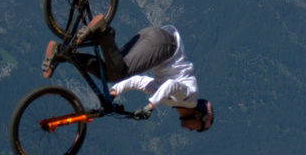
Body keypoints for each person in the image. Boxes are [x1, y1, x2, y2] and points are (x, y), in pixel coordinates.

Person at [44, 20, 213, 132]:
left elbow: (138, 82)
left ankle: (63, 52)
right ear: (199, 115)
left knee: (109, 71)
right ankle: (104, 33)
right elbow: (170, 85)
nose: (191, 130)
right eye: (197, 128)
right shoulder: (190, 98)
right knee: (117, 73)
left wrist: (114, 93)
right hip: (165, 45)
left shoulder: (173, 101)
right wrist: (150, 107)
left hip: (153, 37)